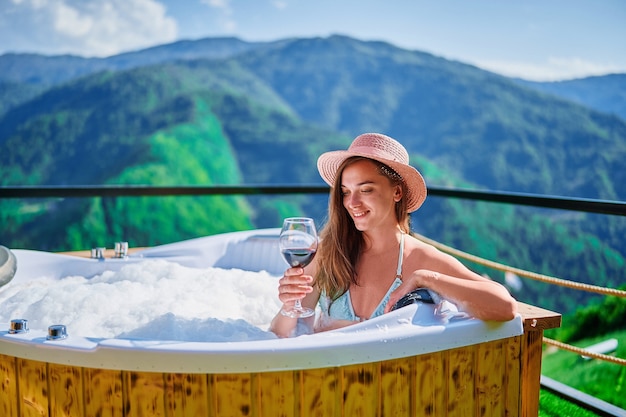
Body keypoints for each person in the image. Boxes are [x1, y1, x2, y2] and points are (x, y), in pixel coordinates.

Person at [270, 133, 518, 338]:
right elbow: (282, 334)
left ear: (397, 192)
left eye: (366, 189)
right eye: (345, 192)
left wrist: (427, 278)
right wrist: (288, 304)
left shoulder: (419, 259)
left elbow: (504, 306)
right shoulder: (328, 253)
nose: (352, 202)